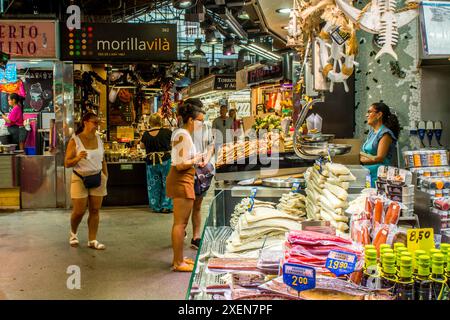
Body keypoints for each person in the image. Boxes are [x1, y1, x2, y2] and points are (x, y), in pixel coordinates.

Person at [166, 98, 205, 272]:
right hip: (181, 180)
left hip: (185, 179)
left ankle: (179, 258)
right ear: (190, 120)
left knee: (181, 223)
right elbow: (180, 164)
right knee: (180, 224)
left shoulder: (184, 134)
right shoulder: (182, 135)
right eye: (200, 121)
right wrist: (196, 159)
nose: (201, 125)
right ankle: (177, 262)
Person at [64, 112, 108, 250]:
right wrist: (77, 158)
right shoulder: (75, 140)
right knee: (79, 211)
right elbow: (67, 163)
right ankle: (73, 233)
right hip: (80, 178)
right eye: (95, 122)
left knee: (95, 210)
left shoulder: (99, 139)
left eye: (98, 123)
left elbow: (102, 159)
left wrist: (105, 175)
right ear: (85, 122)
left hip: (97, 176)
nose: (97, 125)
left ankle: (92, 239)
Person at [360, 102, 400, 187]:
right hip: (368, 174)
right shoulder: (372, 132)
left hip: (379, 177)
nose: (367, 115)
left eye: (370, 112)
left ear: (379, 115)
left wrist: (360, 160)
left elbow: (379, 158)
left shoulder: (385, 134)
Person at [191, 109, 215, 250]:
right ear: (190, 119)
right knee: (187, 206)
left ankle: (196, 237)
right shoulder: (183, 132)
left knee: (198, 205)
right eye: (199, 120)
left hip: (201, 171)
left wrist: (206, 159)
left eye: (202, 119)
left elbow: (211, 145)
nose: (202, 122)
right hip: (187, 171)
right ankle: (181, 230)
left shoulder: (207, 128)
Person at [140, 113, 173, 213]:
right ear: (160, 121)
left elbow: (142, 146)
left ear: (150, 122)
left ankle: (156, 206)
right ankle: (166, 206)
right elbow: (172, 144)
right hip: (165, 161)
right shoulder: (167, 132)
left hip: (151, 162)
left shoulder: (145, 134)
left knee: (153, 184)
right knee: (167, 183)